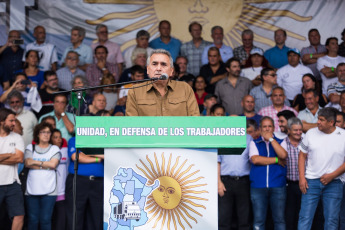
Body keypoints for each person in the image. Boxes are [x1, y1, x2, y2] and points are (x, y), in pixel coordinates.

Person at [298, 107, 345, 229]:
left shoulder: (343, 135)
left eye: (321, 120)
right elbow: (302, 155)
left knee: (332, 220)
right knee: (305, 218)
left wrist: (332, 175)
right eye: (318, 119)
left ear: (331, 122)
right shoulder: (310, 133)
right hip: (310, 182)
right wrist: (302, 178)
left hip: (334, 183)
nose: (318, 122)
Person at [126, 49, 200, 116]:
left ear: (171, 71)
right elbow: (131, 125)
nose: (158, 68)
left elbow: (195, 119)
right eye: (154, 64)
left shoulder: (185, 88)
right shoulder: (135, 91)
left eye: (163, 64)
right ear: (148, 70)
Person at [249, 116, 288, 230]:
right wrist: (276, 160)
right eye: (264, 127)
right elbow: (256, 160)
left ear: (274, 128)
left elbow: (283, 155)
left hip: (278, 186)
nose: (267, 129)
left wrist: (271, 140)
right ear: (260, 129)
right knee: (259, 221)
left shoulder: (281, 141)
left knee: (279, 220)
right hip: (258, 187)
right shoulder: (254, 143)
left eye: (269, 126)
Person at [24, 123, 61, 230]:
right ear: (38, 134)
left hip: (50, 191)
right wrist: (46, 165)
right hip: (31, 190)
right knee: (32, 219)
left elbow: (53, 165)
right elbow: (27, 163)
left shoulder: (54, 149)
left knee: (45, 220)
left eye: (48, 132)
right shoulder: (30, 147)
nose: (46, 134)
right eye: (43, 132)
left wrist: (35, 163)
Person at [65, 137, 105, 230]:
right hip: (78, 181)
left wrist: (87, 153)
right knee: (75, 216)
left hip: (98, 182)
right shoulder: (75, 139)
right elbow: (76, 157)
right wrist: (97, 159)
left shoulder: (102, 140)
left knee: (96, 217)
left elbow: (107, 155)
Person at [218, 134, 252, 230]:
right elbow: (218, 161)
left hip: (244, 181)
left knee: (244, 218)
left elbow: (253, 158)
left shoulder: (248, 138)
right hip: (225, 182)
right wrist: (219, 182)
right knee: (224, 218)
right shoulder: (221, 138)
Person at [0, 108, 25, 230]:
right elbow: (15, 156)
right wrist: (10, 154)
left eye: (14, 121)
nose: (14, 123)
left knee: (19, 215)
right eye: (11, 121)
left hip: (13, 183)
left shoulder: (17, 137)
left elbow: (19, 158)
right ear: (1, 121)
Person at [284, 117, 303, 230]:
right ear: (289, 130)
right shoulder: (282, 144)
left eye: (300, 130)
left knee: (302, 214)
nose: (298, 132)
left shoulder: (306, 143)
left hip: (303, 185)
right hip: (288, 185)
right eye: (295, 130)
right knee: (289, 215)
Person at [50, 129, 68, 230]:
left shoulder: (65, 150)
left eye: (60, 137)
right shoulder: (47, 150)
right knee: (50, 219)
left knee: (61, 221)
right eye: (55, 137)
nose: (59, 139)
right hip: (49, 192)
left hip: (62, 192)